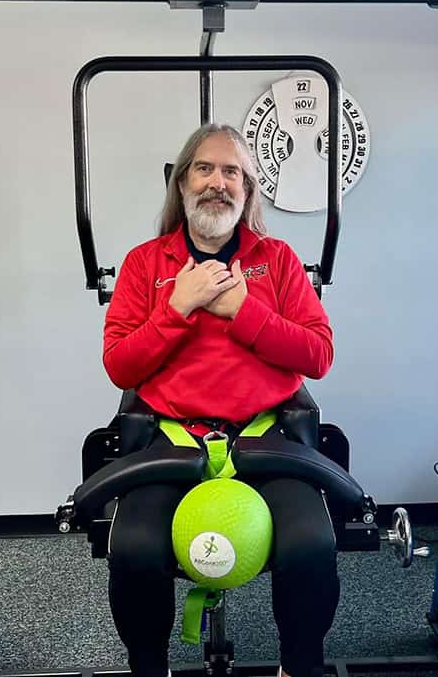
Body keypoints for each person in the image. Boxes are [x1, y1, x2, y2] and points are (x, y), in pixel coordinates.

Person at [102, 123, 338, 677]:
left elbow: (319, 354)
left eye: (232, 171)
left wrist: (244, 313)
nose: (218, 183)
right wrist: (177, 309)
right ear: (182, 183)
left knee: (309, 543)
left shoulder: (277, 260)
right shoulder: (145, 264)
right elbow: (120, 366)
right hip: (172, 437)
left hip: (266, 436)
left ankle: (299, 667)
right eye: (205, 169)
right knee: (134, 547)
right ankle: (147, 667)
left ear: (247, 189)